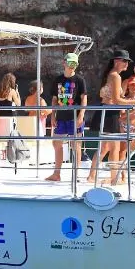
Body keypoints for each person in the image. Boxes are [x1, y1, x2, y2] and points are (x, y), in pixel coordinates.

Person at [90, 50, 134, 185]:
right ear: (116, 61)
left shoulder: (110, 75)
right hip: (110, 112)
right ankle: (114, 178)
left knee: (104, 148)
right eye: (124, 61)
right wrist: (134, 102)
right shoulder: (116, 76)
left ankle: (91, 175)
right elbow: (116, 99)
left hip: (106, 111)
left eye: (127, 61)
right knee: (114, 148)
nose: (127, 63)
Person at [45, 53, 87, 181]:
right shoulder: (58, 80)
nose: (72, 66)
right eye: (70, 63)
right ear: (64, 63)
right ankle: (57, 173)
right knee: (56, 143)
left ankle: (76, 174)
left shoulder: (80, 80)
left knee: (76, 145)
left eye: (75, 63)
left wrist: (81, 116)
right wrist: (53, 116)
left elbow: (84, 98)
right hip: (61, 117)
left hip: (74, 116)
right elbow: (54, 99)